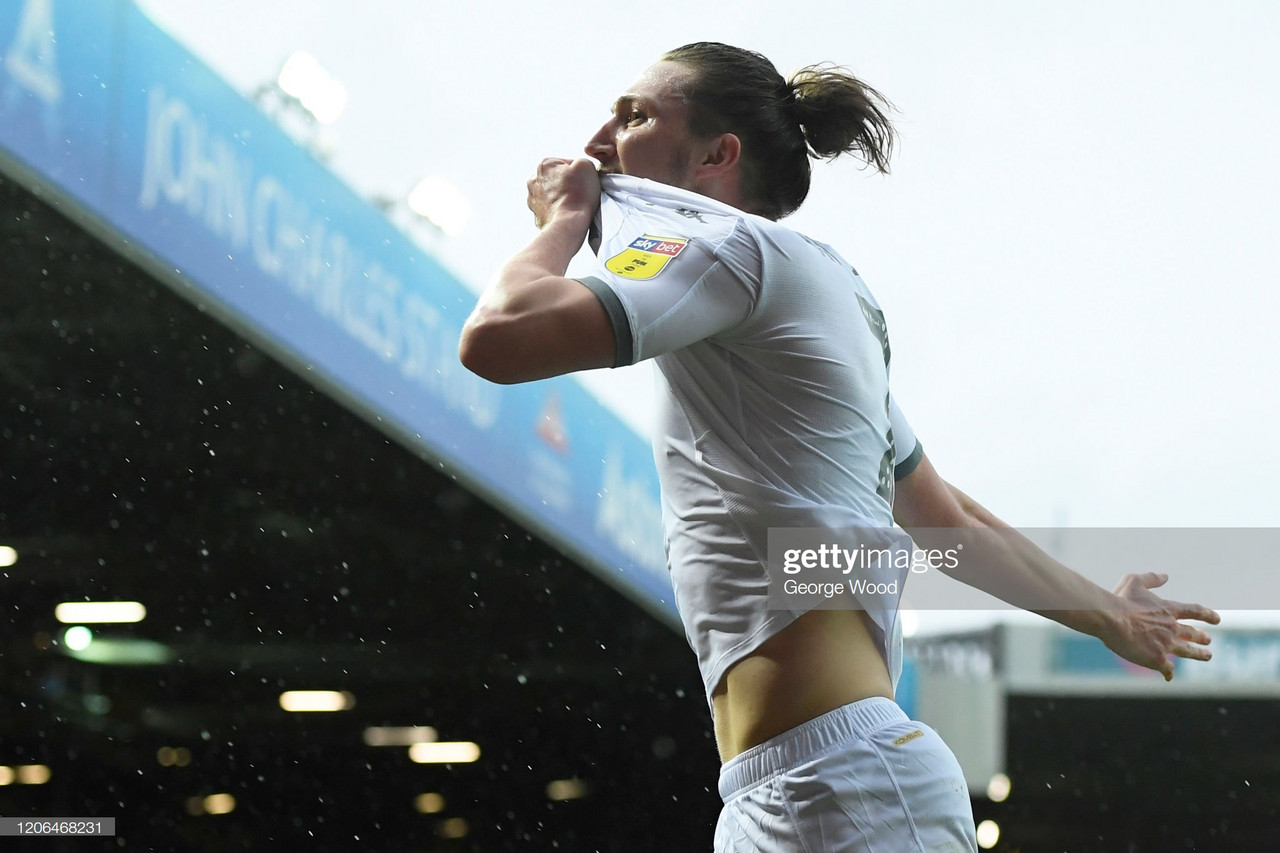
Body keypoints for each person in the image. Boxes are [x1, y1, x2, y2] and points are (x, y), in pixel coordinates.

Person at [458, 42, 1220, 852]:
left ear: (720, 155)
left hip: (847, 784)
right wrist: (1108, 614)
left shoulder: (733, 254)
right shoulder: (808, 294)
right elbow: (945, 521)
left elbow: (497, 338)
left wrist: (565, 220)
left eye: (635, 115)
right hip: (779, 793)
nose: (599, 139)